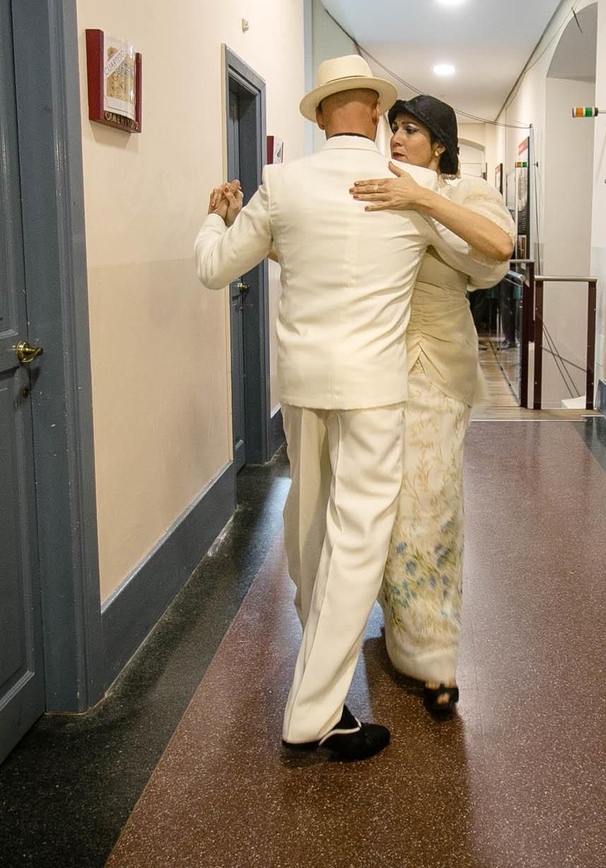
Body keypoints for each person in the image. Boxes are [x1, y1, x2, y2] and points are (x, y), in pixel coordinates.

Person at [193, 55, 494, 762]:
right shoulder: (411, 186)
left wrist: (216, 219)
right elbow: (486, 261)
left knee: (310, 528)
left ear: (324, 114)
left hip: (303, 386)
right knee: (359, 538)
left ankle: (317, 692)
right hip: (375, 386)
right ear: (373, 111)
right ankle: (315, 708)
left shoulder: (285, 184)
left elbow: (215, 266)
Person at [348, 94, 515, 716]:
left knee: (432, 498)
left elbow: (495, 251)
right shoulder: (378, 188)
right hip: (377, 363)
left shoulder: (468, 195)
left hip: (438, 362)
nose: (396, 140)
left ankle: (436, 657)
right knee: (387, 501)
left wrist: (422, 198)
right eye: (393, 129)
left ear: (438, 143)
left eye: (410, 130)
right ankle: (402, 632)